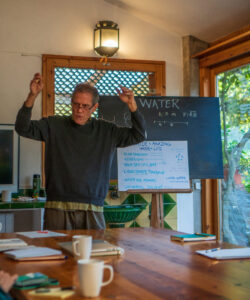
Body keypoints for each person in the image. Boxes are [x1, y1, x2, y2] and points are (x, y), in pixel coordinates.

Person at [15, 73, 146, 230]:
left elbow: (139, 135)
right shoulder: (54, 125)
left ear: (94, 107)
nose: (79, 110)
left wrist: (132, 106)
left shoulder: (107, 131)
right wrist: (32, 96)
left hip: (92, 208)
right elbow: (22, 128)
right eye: (76, 104)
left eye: (85, 106)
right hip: (57, 207)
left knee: (93, 253)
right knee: (56, 252)